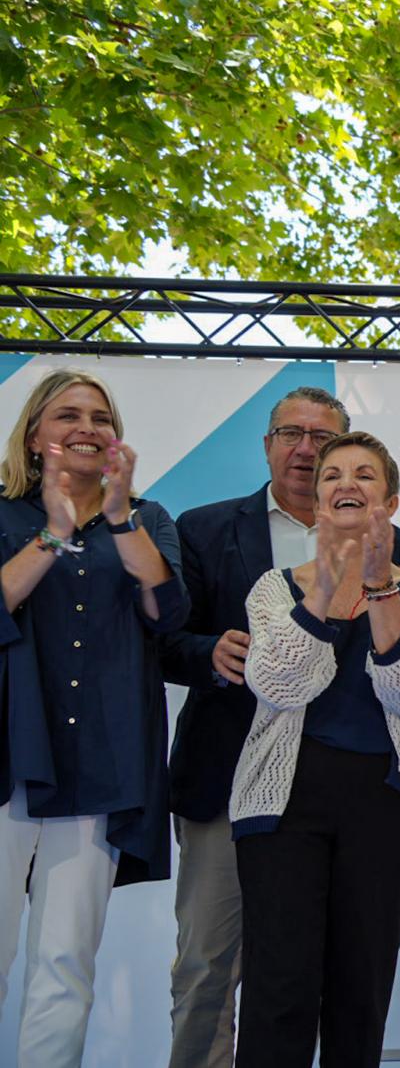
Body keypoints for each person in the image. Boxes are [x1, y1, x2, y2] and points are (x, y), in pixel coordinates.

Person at [161, 386, 400, 1068]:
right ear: (267, 442)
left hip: (341, 795)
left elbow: (399, 662)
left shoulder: (390, 542)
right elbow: (165, 637)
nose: (305, 448)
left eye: (322, 438)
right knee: (208, 966)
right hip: (226, 776)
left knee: (317, 977)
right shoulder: (206, 527)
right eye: (289, 433)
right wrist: (207, 653)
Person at [229, 431, 400, 1068]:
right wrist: (321, 589)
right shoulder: (273, 589)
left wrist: (378, 587)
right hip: (281, 806)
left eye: (365, 475)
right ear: (317, 503)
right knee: (278, 991)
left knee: (361, 991)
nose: (347, 483)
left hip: (382, 804)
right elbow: (279, 683)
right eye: (333, 476)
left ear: (391, 501)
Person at [0, 368, 188, 1066]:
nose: (87, 427)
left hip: (100, 764)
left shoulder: (146, 518)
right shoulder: (5, 514)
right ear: (34, 433)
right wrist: (54, 532)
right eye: (68, 414)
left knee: (65, 960)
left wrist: (115, 516)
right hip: (11, 753)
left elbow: (166, 613)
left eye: (101, 417)